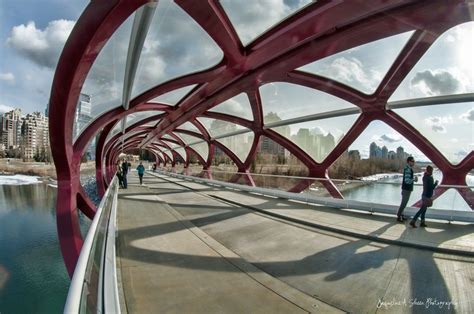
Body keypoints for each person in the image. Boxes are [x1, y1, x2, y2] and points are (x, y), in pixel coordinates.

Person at [396, 156, 418, 222]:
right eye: (412, 161)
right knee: (404, 203)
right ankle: (399, 215)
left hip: (406, 189)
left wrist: (413, 179)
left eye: (414, 161)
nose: (413, 162)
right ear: (409, 162)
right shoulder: (408, 169)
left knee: (404, 203)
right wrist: (414, 179)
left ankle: (401, 215)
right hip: (406, 189)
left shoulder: (409, 168)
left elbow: (407, 180)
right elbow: (407, 180)